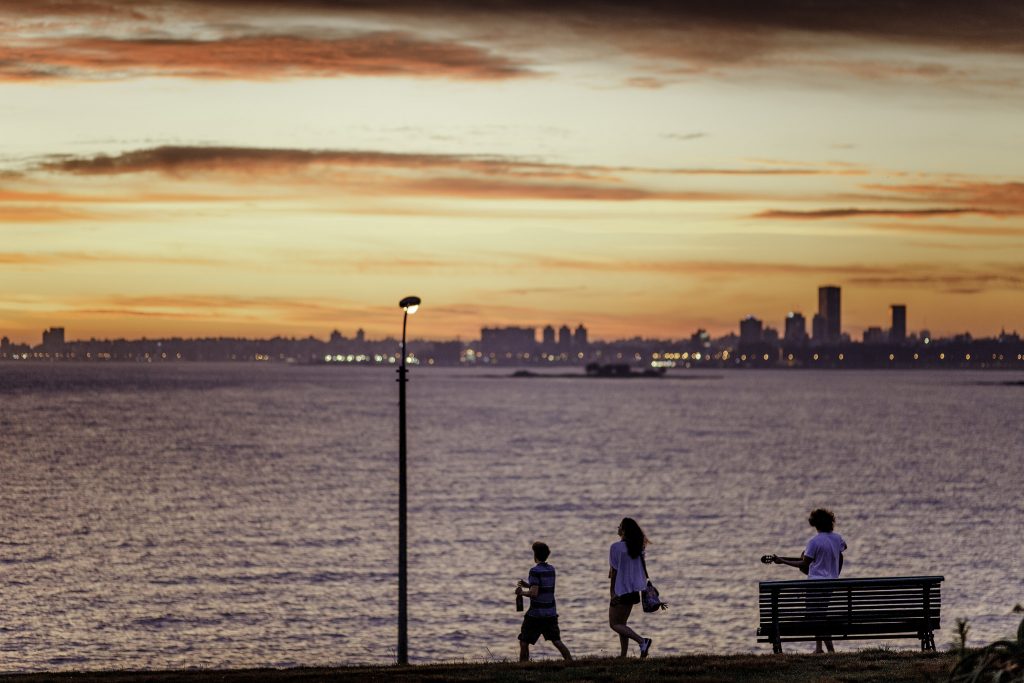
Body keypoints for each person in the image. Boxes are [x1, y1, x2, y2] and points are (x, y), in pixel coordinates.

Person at [770, 508, 848, 653]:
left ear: (814, 523)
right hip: (830, 584)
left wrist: (783, 561)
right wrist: (835, 571)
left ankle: (830, 649)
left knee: (816, 617)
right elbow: (840, 551)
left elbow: (804, 564)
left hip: (814, 585)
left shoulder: (813, 541)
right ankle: (819, 648)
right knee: (820, 615)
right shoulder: (838, 539)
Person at [515, 541, 572, 662]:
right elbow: (542, 588)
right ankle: (570, 662)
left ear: (535, 555)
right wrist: (528, 585)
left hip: (536, 615)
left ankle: (523, 667)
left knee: (524, 642)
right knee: (557, 641)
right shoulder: (551, 569)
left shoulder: (534, 571)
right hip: (550, 613)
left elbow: (534, 593)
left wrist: (521, 593)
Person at [608, 517, 653, 659]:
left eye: (620, 526)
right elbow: (642, 568)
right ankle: (623, 656)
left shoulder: (616, 547)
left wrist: (612, 592)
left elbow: (614, 572)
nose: (618, 528)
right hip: (634, 590)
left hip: (621, 590)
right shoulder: (637, 547)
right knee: (622, 624)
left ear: (624, 530)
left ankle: (642, 641)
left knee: (614, 624)